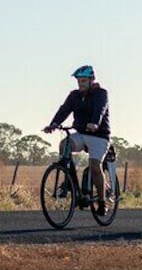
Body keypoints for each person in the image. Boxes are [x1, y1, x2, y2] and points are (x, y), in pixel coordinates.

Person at [43, 65, 111, 214]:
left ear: (92, 80)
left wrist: (95, 123)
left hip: (99, 136)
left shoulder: (101, 93)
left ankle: (102, 201)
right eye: (79, 81)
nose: (81, 84)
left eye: (84, 81)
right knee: (64, 145)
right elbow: (64, 109)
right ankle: (71, 184)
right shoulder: (74, 95)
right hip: (81, 133)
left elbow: (100, 109)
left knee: (94, 166)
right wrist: (53, 124)